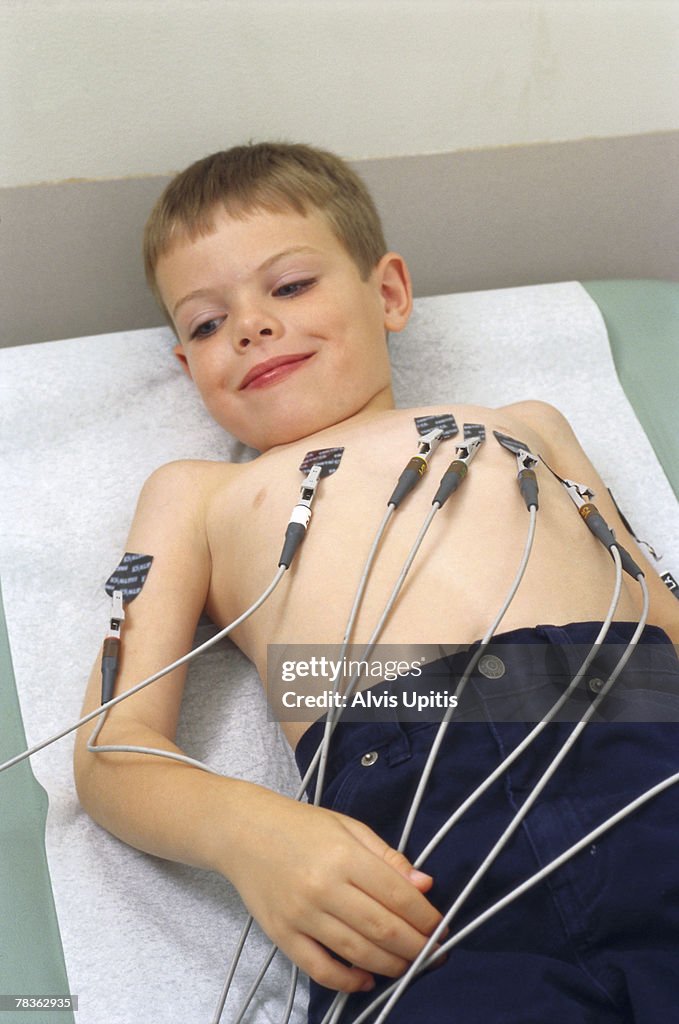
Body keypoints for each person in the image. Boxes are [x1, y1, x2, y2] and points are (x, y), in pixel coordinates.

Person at [74, 141, 679, 1023]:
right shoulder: (198, 496)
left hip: (641, 746)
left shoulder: (524, 424)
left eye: (289, 286)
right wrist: (252, 835)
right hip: (413, 876)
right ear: (186, 365)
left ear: (388, 293)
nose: (249, 327)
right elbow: (111, 749)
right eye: (205, 325)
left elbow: (660, 617)